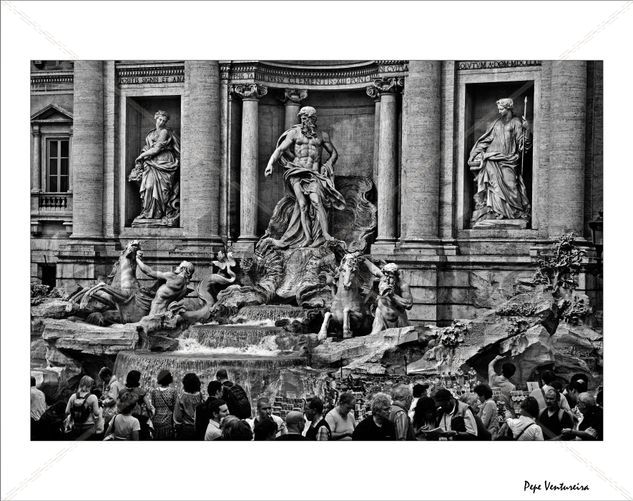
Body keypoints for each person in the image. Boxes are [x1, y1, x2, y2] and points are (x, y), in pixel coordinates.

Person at [262, 106, 346, 249]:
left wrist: (328, 164)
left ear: (313, 119)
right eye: (302, 118)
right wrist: (270, 164)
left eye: (306, 118)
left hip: (314, 174)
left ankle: (325, 234)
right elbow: (281, 149)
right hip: (296, 172)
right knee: (302, 205)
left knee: (317, 201)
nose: (303, 120)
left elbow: (334, 154)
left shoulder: (322, 135)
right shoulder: (294, 133)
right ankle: (307, 238)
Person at [468, 97, 532, 224]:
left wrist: (527, 130)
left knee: (511, 185)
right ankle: (497, 212)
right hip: (492, 159)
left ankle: (515, 212)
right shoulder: (495, 123)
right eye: (498, 109)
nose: (499, 111)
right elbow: (485, 141)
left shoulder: (516, 123)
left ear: (508, 108)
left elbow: (523, 143)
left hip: (509, 160)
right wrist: (474, 154)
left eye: (501, 109)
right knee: (494, 187)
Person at [128, 109, 180, 226]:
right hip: (151, 163)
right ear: (156, 118)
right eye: (160, 119)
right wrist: (144, 154)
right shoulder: (151, 133)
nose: (161, 122)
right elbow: (148, 147)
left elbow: (157, 149)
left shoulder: (164, 132)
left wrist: (141, 156)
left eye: (164, 120)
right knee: (149, 186)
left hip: (164, 162)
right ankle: (147, 212)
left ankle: (158, 214)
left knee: (162, 190)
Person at [363, 261, 413, 334]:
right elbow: (374, 270)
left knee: (403, 340)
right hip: (381, 316)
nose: (387, 279)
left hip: (398, 317)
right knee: (374, 338)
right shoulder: (383, 280)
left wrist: (393, 296)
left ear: (396, 277)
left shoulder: (403, 285)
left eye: (391, 277)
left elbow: (409, 305)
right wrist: (364, 260)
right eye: (386, 276)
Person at [64, 375, 100, 440]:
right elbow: (96, 413)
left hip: (76, 426)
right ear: (90, 386)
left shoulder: (73, 396)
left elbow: (67, 411)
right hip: (89, 427)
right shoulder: (93, 397)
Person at [124, 370, 155, 440]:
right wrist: (150, 415)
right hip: (136, 417)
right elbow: (148, 406)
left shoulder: (123, 391)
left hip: (125, 417)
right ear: (137, 380)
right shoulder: (140, 391)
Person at [150, 370, 178, 440]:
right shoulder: (173, 391)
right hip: (168, 421)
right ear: (169, 379)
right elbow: (175, 407)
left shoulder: (154, 391)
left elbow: (153, 405)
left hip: (156, 421)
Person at [175, 373, 203, 440]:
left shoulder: (181, 397)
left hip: (186, 428)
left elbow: (178, 416)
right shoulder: (200, 395)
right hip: (199, 426)